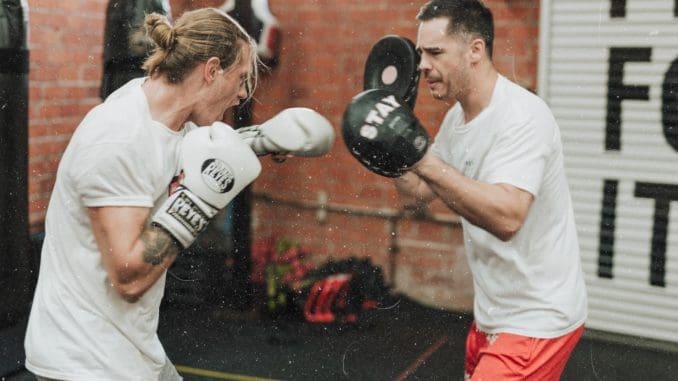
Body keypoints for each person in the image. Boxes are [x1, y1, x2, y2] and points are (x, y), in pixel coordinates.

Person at [23, 8, 262, 380]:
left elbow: (189, 149)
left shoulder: (158, 108)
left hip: (129, 353)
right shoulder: (119, 137)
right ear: (212, 70)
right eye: (241, 78)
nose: (242, 93)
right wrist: (199, 197)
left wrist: (264, 141)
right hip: (85, 362)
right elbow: (130, 274)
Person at [395, 1, 588, 379]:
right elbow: (415, 196)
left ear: (475, 51)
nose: (421, 66)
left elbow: (507, 217)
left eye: (435, 52)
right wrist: (394, 153)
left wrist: (421, 158)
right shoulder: (457, 119)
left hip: (537, 318)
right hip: (491, 317)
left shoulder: (522, 117)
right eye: (420, 54)